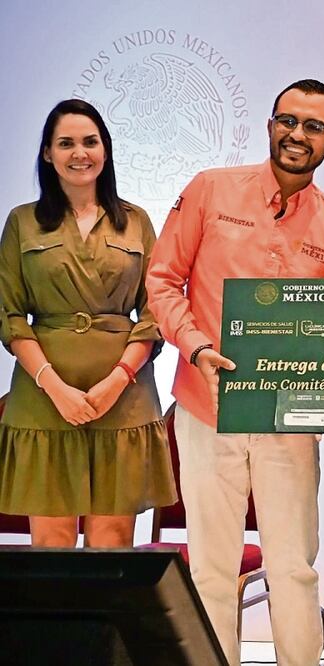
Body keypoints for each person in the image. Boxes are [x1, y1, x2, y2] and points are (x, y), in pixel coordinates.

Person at [145, 79, 324, 666]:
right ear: (269, 126)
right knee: (212, 567)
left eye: (313, 127)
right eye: (287, 120)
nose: (297, 135)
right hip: (204, 407)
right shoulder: (211, 190)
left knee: (292, 565)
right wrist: (193, 347)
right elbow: (162, 281)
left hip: (288, 421)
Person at [0, 99, 174, 547]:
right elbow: (10, 314)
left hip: (123, 397)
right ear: (47, 154)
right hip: (43, 400)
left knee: (113, 545)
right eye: (66, 143)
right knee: (50, 546)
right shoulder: (22, 222)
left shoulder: (136, 220)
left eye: (90, 142)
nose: (80, 153)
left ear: (106, 149)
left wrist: (116, 381)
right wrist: (55, 388)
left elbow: (155, 311)